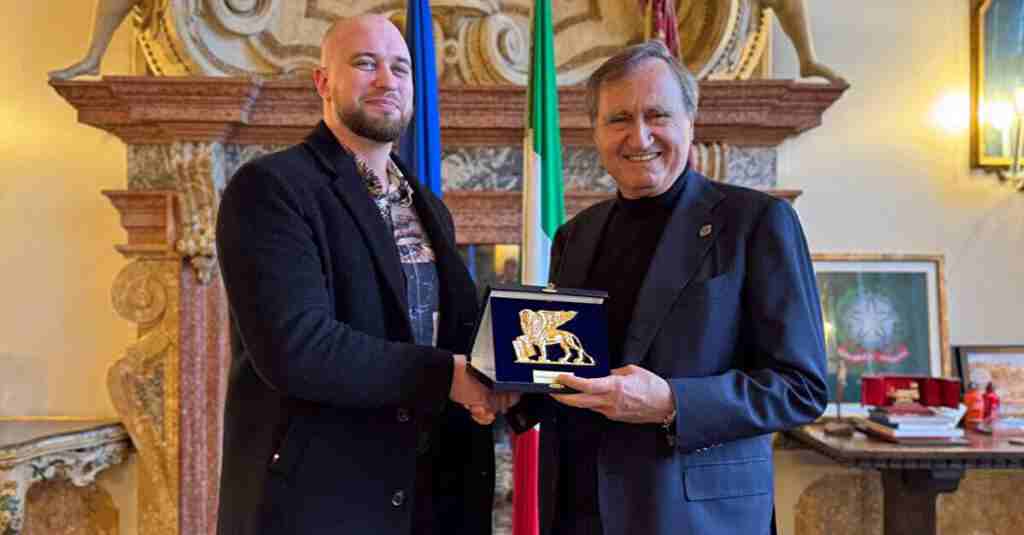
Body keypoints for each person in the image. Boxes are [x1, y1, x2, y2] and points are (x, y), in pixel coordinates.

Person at [500, 40, 828, 535]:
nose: (639, 136)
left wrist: (673, 402)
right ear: (595, 131)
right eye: (618, 119)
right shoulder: (576, 234)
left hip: (697, 518)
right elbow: (573, 369)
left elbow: (800, 388)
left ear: (689, 122)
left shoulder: (757, 222)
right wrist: (510, 394)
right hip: (579, 509)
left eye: (657, 115)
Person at [215, 15, 495, 535]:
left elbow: (451, 334)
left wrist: (513, 378)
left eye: (401, 68)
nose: (387, 80)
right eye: (366, 64)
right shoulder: (271, 189)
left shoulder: (428, 206)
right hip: (321, 505)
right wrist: (447, 377)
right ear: (323, 82)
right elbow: (297, 347)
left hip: (429, 498)